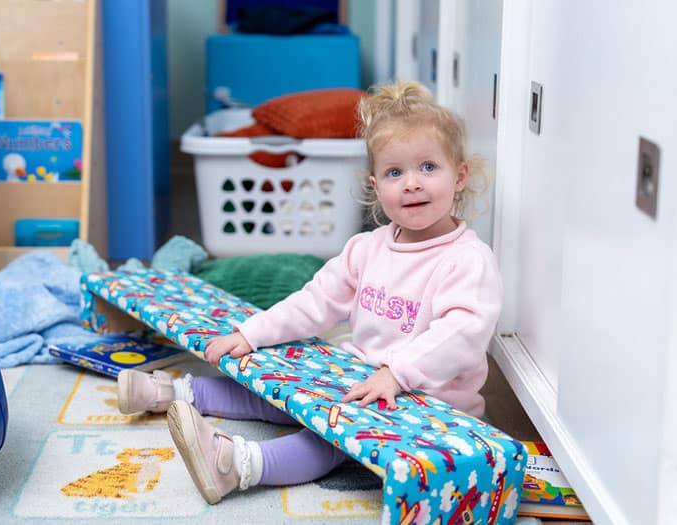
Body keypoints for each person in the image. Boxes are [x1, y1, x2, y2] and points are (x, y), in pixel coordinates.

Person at [116, 80, 503, 505]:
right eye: (396, 172)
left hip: (432, 407)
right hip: (365, 375)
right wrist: (253, 333)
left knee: (329, 431)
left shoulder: (466, 259)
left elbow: (462, 336)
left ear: (460, 175)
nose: (411, 183)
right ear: (376, 185)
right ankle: (178, 393)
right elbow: (316, 300)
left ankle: (237, 465)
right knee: (288, 385)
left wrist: (398, 373)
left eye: (428, 167)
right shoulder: (367, 248)